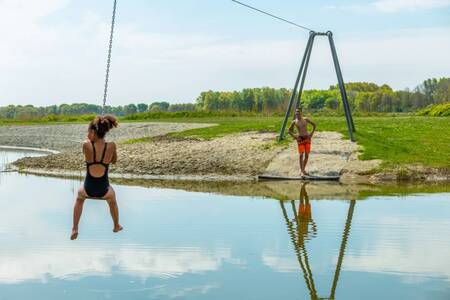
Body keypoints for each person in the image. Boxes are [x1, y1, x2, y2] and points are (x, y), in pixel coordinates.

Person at [71, 115, 123, 240]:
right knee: (112, 200)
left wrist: (90, 139)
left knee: (79, 199)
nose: (87, 134)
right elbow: (114, 161)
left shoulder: (86, 145)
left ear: (93, 132)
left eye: (88, 131)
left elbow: (87, 152)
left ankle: (75, 228)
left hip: (87, 189)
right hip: (104, 190)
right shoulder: (111, 146)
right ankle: (116, 225)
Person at [288, 108, 316, 177]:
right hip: (300, 139)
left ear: (301, 113)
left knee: (306, 155)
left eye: (298, 113)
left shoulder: (305, 119)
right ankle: (302, 171)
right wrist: (294, 136)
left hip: (307, 138)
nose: (297, 114)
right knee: (301, 155)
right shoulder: (294, 122)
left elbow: (314, 125)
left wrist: (311, 133)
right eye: (296, 113)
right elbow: (289, 130)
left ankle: (302, 170)